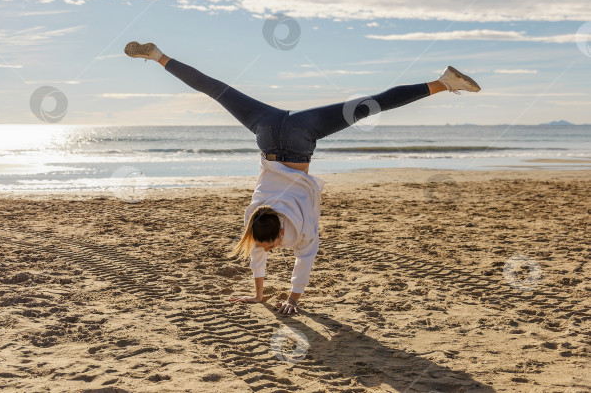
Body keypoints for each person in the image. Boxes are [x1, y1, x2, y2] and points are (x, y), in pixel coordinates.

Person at [123, 41, 481, 315]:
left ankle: (444, 83)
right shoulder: (255, 216)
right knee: (216, 90)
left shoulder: (303, 228)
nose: (269, 249)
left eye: (271, 245)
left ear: (279, 232)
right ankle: (158, 56)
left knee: (368, 107)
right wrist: (260, 295)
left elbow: (303, 262)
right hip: (265, 129)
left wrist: (292, 300)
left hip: (300, 139)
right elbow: (258, 254)